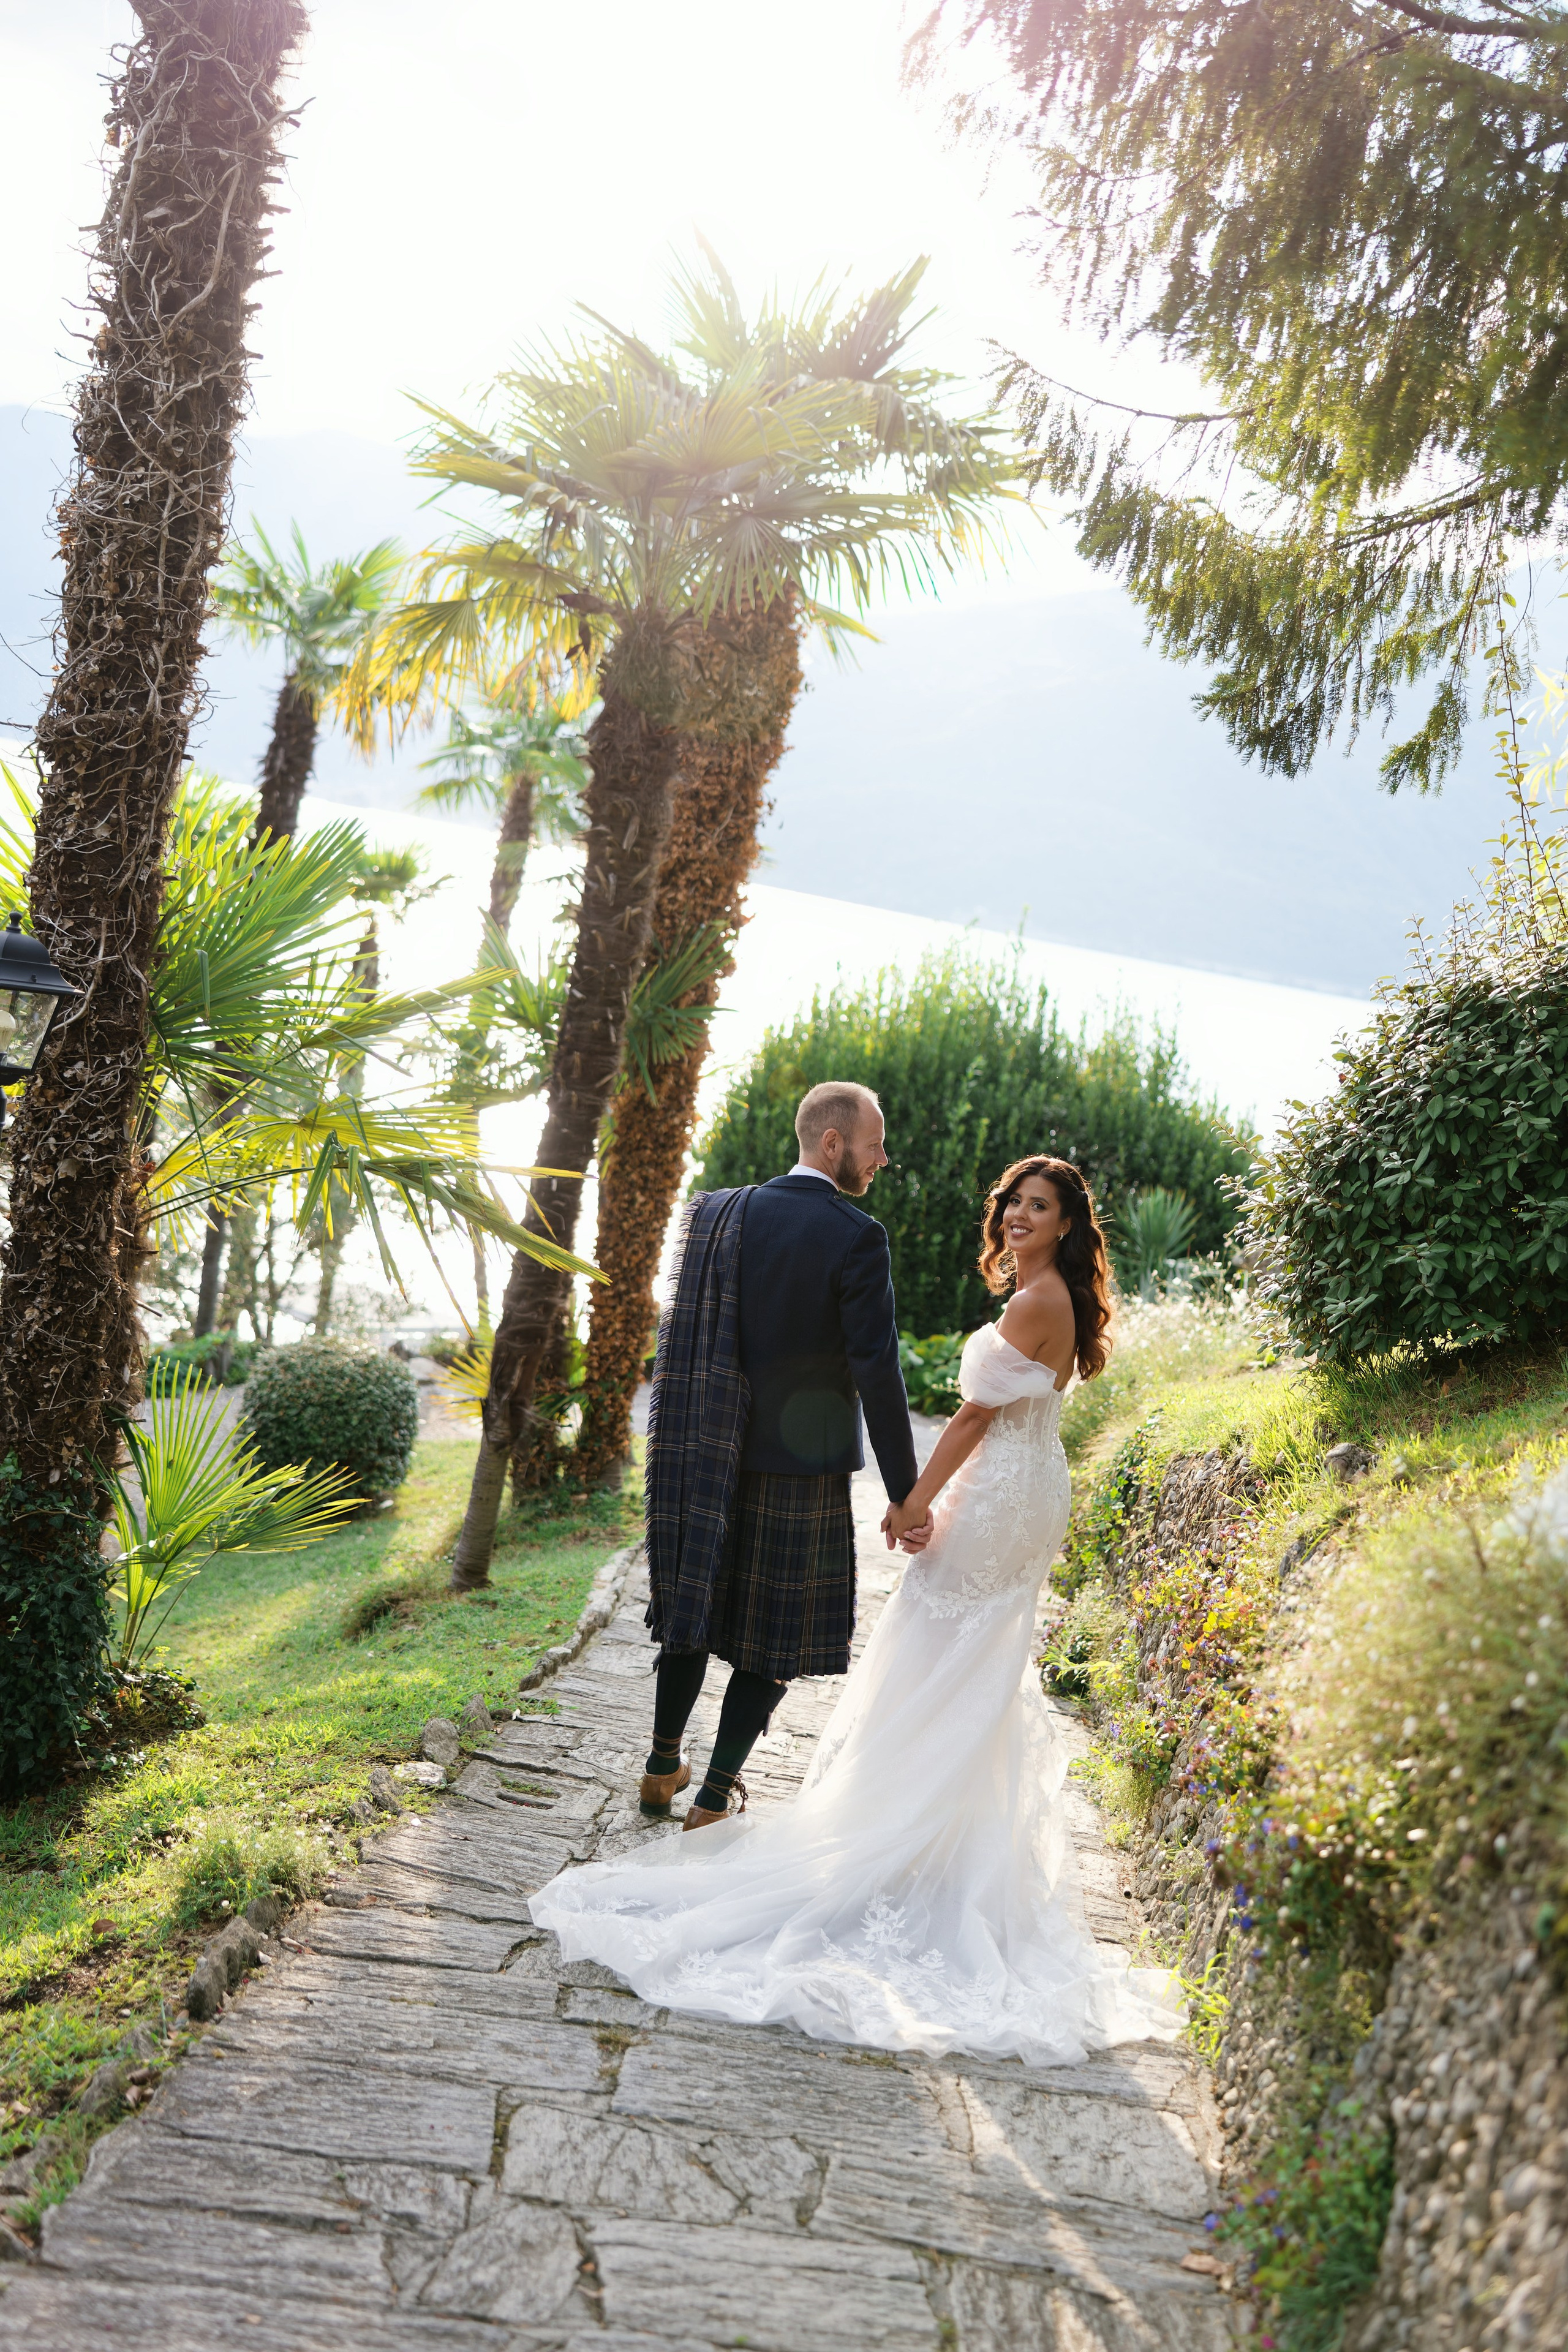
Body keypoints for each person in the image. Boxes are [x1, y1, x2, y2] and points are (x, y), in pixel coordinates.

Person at [530, 1150, 1182, 2064]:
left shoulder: (1038, 1303)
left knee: (933, 1646)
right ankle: (937, 1838)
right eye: (1012, 1205)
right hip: (1024, 1493)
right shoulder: (1051, 1299)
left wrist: (913, 1502)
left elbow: (969, 1420)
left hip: (1000, 1498)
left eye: (1039, 1208)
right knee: (967, 1662)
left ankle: (898, 1832)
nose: (1019, 1218)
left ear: (1069, 1223)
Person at [630, 1080, 926, 1831]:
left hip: (703, 1453)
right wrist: (905, 1491)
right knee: (773, 1636)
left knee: (692, 1610)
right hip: (801, 1470)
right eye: (873, 1143)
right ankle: (714, 1793)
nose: (881, 1158)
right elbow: (877, 1369)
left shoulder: (718, 1212)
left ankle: (662, 1764)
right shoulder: (856, 1235)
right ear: (834, 1144)